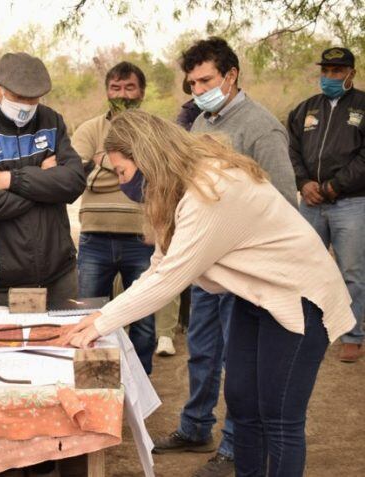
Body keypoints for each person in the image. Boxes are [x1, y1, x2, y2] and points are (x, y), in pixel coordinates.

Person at [67, 109, 354, 477]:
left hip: (299, 298)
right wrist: (98, 318)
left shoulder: (210, 189)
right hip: (257, 298)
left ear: (147, 158)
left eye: (122, 172)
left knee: (279, 416)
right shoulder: (180, 187)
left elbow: (170, 278)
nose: (122, 183)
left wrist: (101, 322)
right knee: (244, 406)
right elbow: (160, 266)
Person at [151, 37, 300, 477]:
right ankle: (196, 427)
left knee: (239, 367)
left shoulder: (262, 127)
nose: (197, 89)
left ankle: (235, 448)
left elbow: (286, 205)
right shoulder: (199, 123)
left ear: (231, 76)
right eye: (192, 82)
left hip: (244, 269)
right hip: (206, 266)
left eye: (206, 80)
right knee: (200, 350)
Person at [0, 52, 86, 308]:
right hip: (0, 281)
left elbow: (73, 181)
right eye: (19, 97)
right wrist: (45, 184)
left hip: (59, 273)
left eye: (33, 98)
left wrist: (12, 180)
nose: (27, 105)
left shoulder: (51, 120)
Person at [71, 61, 175, 373]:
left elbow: (158, 178)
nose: (123, 94)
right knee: (90, 314)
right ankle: (94, 381)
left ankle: (139, 384)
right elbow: (77, 179)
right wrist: (127, 169)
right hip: (94, 240)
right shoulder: (90, 129)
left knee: (143, 322)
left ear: (142, 92)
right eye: (116, 88)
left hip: (141, 240)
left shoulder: (154, 130)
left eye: (130, 87)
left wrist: (101, 163)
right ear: (107, 91)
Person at [288, 47, 365, 363]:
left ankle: (353, 335)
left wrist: (335, 186)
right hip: (310, 203)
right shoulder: (305, 109)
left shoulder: (362, 106)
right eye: (326, 71)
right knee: (306, 268)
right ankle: (306, 328)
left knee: (352, 272)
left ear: (351, 73)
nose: (330, 77)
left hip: (351, 203)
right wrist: (303, 183)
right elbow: (290, 151)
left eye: (337, 71)